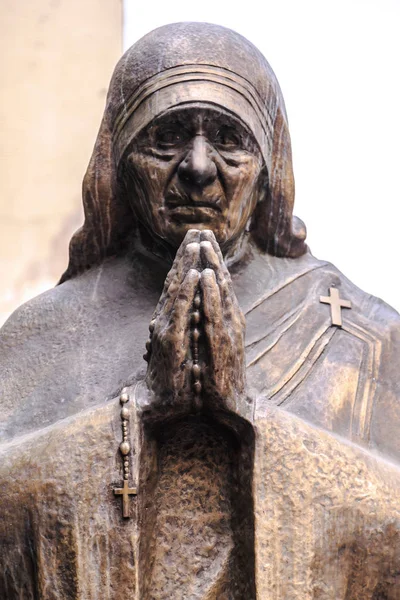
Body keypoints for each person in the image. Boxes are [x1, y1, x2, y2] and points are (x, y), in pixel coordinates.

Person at [1, 22, 400, 599]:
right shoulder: (40, 339)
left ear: (269, 166)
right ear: (118, 161)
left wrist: (248, 415)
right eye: (165, 138)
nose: (197, 166)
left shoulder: (365, 339)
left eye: (230, 139)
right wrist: (138, 410)